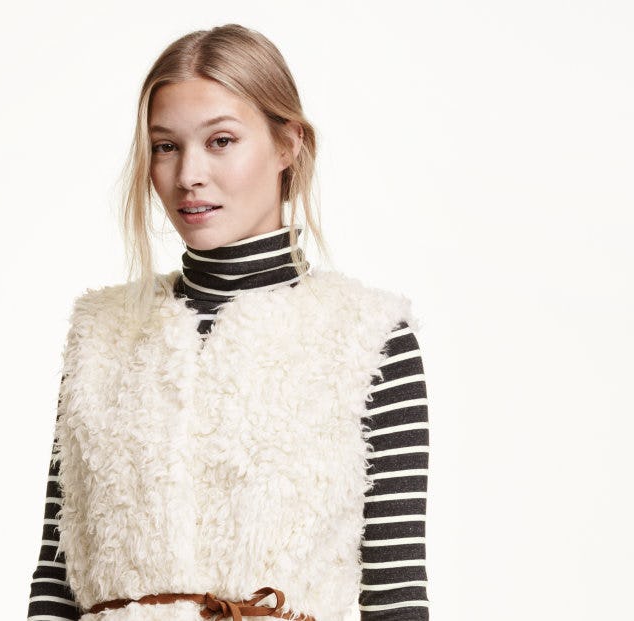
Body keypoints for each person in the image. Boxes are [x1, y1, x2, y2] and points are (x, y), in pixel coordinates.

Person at [27, 23, 431, 621]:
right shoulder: (100, 335)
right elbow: (57, 578)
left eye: (220, 141)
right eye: (165, 146)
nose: (188, 173)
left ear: (288, 143)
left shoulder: (369, 338)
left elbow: (396, 596)